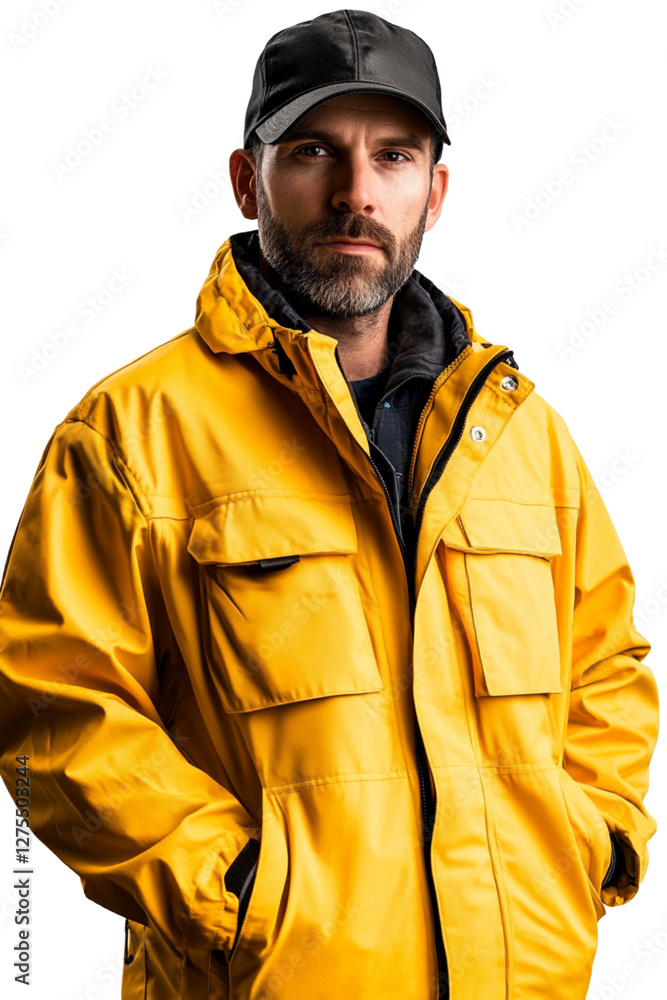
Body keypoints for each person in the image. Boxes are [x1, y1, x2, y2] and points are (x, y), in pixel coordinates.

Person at [0, 9, 658, 1000]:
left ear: (434, 191)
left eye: (393, 156)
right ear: (246, 177)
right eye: (314, 151)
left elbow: (605, 666)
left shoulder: (520, 437)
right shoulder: (131, 433)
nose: (357, 194)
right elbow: (56, 704)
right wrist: (238, 896)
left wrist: (590, 841)